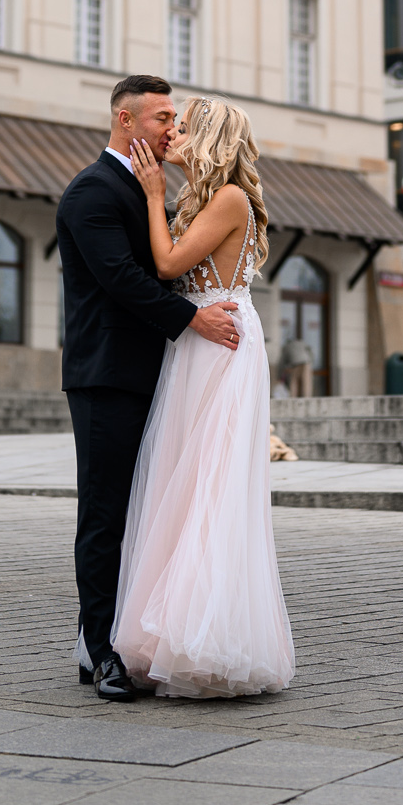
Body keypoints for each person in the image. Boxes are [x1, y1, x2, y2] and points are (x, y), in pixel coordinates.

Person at [56, 74, 242, 702]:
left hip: (158, 374)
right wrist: (193, 319)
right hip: (107, 376)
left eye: (175, 119)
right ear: (126, 120)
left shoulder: (149, 186)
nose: (172, 128)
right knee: (105, 514)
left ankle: (110, 638)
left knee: (143, 512)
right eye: (163, 118)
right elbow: (122, 277)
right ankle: (101, 654)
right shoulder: (92, 190)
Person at [114, 95, 296, 699]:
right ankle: (171, 631)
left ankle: (206, 638)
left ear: (212, 140)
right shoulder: (205, 197)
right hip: (196, 342)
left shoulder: (230, 199)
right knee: (184, 482)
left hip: (221, 347)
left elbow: (168, 266)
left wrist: (152, 195)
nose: (174, 136)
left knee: (212, 485)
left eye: (186, 128)